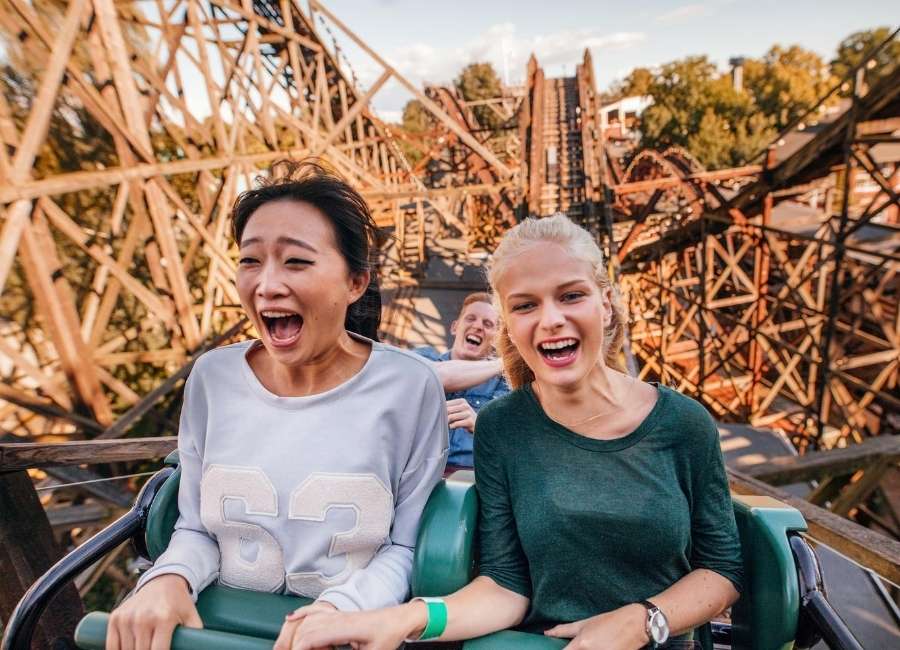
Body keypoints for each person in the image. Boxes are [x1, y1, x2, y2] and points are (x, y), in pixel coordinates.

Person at [287, 213, 743, 650]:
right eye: (526, 305)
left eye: (570, 296)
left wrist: (640, 621)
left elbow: (723, 569)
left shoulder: (683, 423)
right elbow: (506, 586)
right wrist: (402, 618)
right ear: (510, 324)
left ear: (605, 304)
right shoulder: (503, 429)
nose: (550, 320)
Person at [104, 161, 448, 650]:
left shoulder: (410, 387)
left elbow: (408, 547)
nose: (266, 285)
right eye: (250, 261)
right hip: (220, 634)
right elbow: (197, 528)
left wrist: (340, 611)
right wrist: (168, 578)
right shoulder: (212, 378)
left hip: (347, 637)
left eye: (297, 262)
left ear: (355, 282)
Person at [416, 293, 509, 470]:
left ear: (496, 339)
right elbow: (437, 375)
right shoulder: (424, 357)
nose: (477, 326)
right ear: (454, 327)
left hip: (468, 480)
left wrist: (481, 427)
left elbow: (511, 447)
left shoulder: (503, 385)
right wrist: (505, 362)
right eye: (471, 319)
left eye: (487, 324)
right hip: (414, 475)